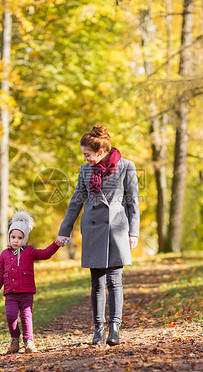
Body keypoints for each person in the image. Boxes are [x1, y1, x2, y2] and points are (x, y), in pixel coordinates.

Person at [57, 125, 139, 346]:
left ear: (101, 152)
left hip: (117, 229)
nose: (85, 158)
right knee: (97, 282)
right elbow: (76, 202)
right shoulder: (85, 171)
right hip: (93, 229)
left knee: (115, 280)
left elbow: (133, 203)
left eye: (87, 154)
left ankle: (115, 328)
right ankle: (98, 328)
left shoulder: (126, 167)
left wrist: (134, 232)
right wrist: (64, 231)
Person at [0, 210, 67, 354]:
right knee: (11, 316)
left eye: (19, 237)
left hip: (26, 292)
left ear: (24, 239)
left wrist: (56, 244)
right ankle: (14, 339)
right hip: (11, 293)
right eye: (13, 237)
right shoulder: (4, 254)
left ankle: (29, 342)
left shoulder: (29, 251)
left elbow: (45, 254)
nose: (16, 240)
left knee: (26, 316)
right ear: (9, 237)